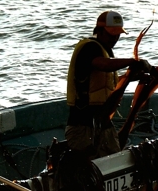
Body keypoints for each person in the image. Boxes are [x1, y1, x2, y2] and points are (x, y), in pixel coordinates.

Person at [65, 10, 152, 158]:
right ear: (99, 30)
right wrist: (133, 61)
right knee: (87, 168)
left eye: (117, 34)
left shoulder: (106, 52)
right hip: (82, 126)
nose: (115, 38)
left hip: (103, 124)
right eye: (111, 33)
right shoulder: (89, 48)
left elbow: (107, 85)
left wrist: (131, 78)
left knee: (113, 162)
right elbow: (102, 65)